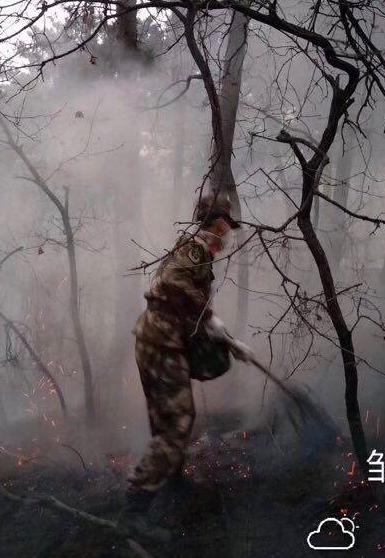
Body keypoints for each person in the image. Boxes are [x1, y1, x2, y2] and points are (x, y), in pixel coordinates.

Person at [120, 195, 254, 539]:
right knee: (178, 422)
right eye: (226, 226)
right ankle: (134, 509)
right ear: (217, 224)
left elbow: (188, 305)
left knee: (165, 420)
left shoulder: (198, 252)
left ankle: (173, 481)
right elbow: (170, 283)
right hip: (162, 343)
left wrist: (227, 340)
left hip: (157, 340)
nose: (228, 235)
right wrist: (210, 318)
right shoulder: (194, 248)